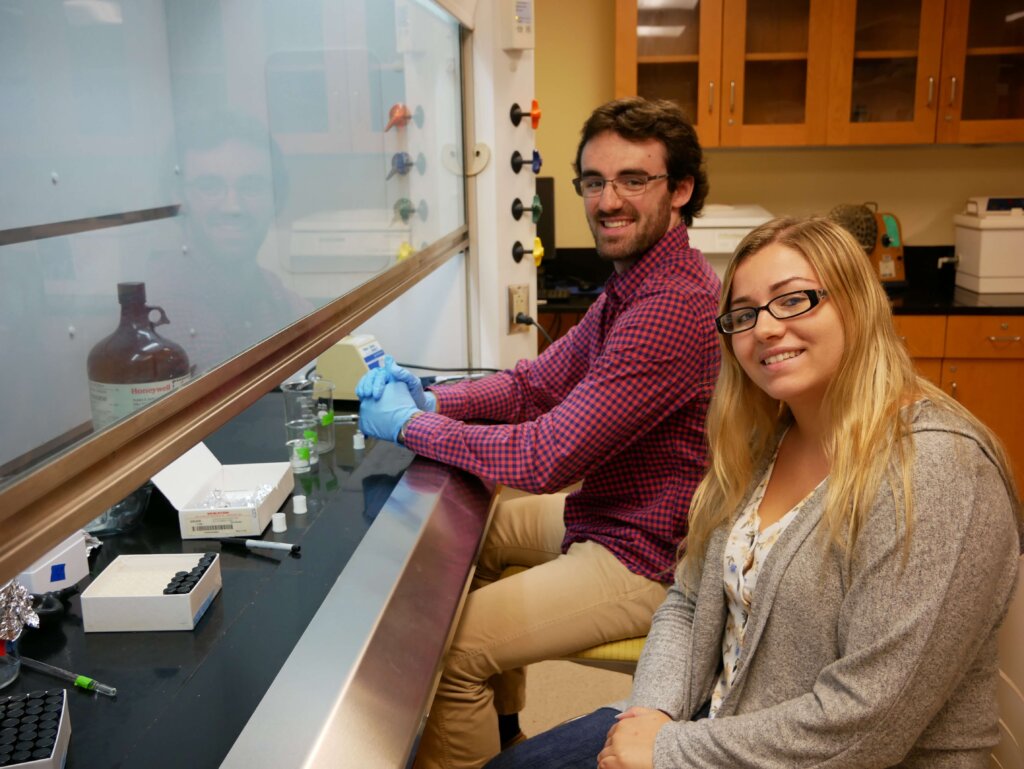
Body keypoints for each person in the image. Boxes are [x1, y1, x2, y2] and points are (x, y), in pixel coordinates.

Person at [485, 216, 1024, 769]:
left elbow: (868, 724)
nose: (764, 329)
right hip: (720, 724)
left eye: (793, 301)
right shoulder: (765, 438)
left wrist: (667, 751)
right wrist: (650, 713)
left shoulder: (936, 470)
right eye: (744, 314)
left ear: (858, 305)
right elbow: (688, 601)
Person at [358, 97, 722, 769]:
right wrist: (434, 396)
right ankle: (504, 738)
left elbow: (545, 454)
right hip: (614, 512)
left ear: (679, 190)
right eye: (594, 181)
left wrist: (413, 426)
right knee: (467, 536)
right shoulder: (633, 285)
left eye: (633, 180)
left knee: (449, 650)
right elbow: (535, 385)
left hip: (650, 554)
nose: (607, 201)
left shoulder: (671, 305)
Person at [146, 110, 311, 374]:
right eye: (210, 187)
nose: (233, 206)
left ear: (276, 199)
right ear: (178, 198)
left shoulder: (269, 289)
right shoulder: (164, 309)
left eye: (251, 187)